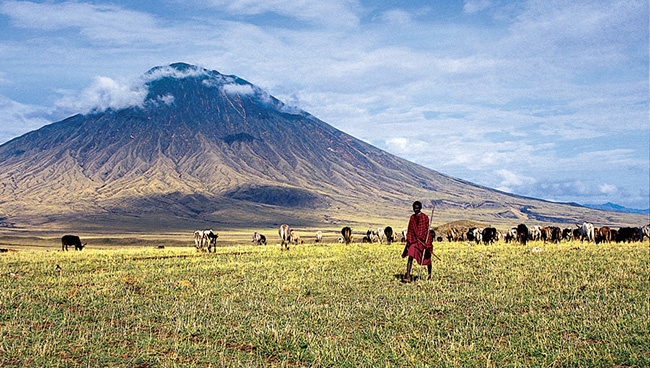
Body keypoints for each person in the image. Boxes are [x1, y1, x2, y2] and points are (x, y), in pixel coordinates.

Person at [401, 201, 433, 283]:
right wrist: (410, 239)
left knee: (427, 258)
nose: (416, 210)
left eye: (417, 208)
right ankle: (408, 276)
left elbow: (425, 230)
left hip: (423, 241)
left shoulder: (424, 217)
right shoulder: (412, 218)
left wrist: (425, 240)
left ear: (420, 208)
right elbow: (410, 229)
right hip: (414, 241)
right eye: (415, 208)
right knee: (410, 255)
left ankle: (429, 275)